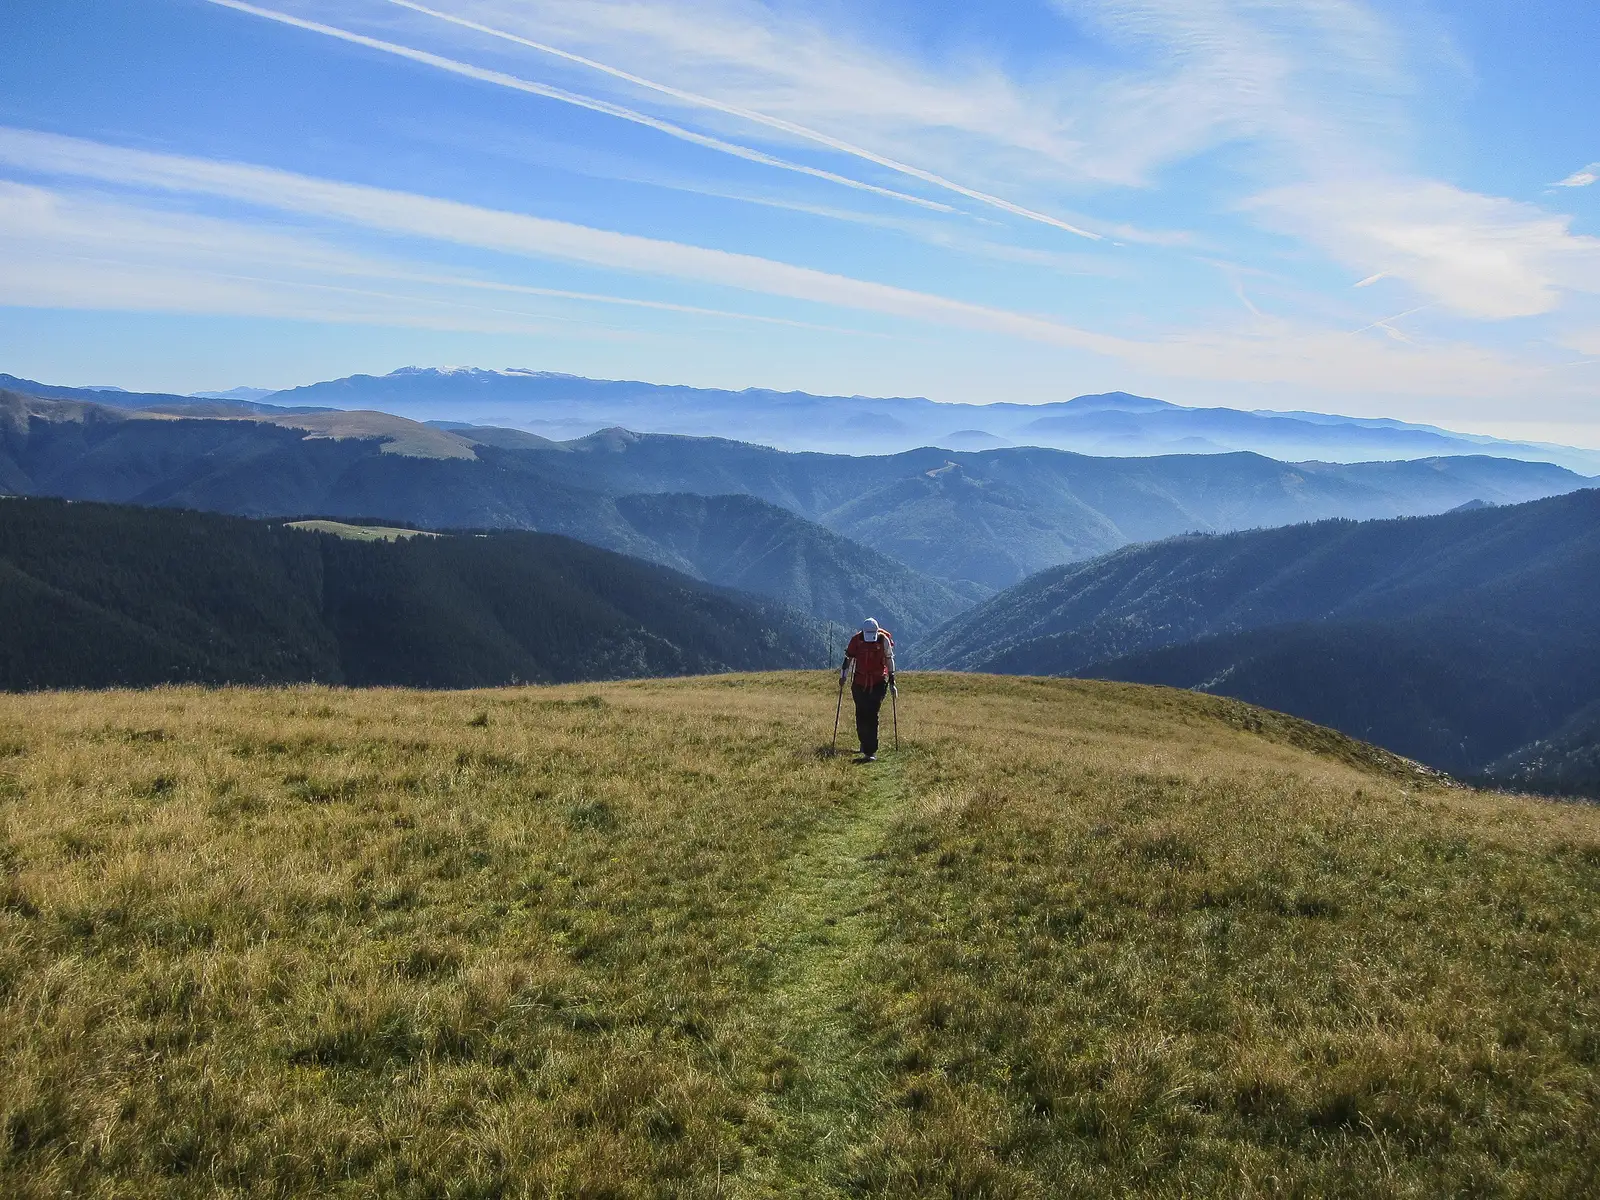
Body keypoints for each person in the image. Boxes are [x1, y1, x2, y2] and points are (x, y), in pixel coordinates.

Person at [840, 617, 895, 761]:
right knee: (861, 714)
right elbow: (848, 659)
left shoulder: (883, 640)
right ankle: (864, 742)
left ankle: (870, 751)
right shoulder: (856, 640)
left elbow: (889, 658)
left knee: (872, 714)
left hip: (876, 683)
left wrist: (892, 679)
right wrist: (843, 676)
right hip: (861, 684)